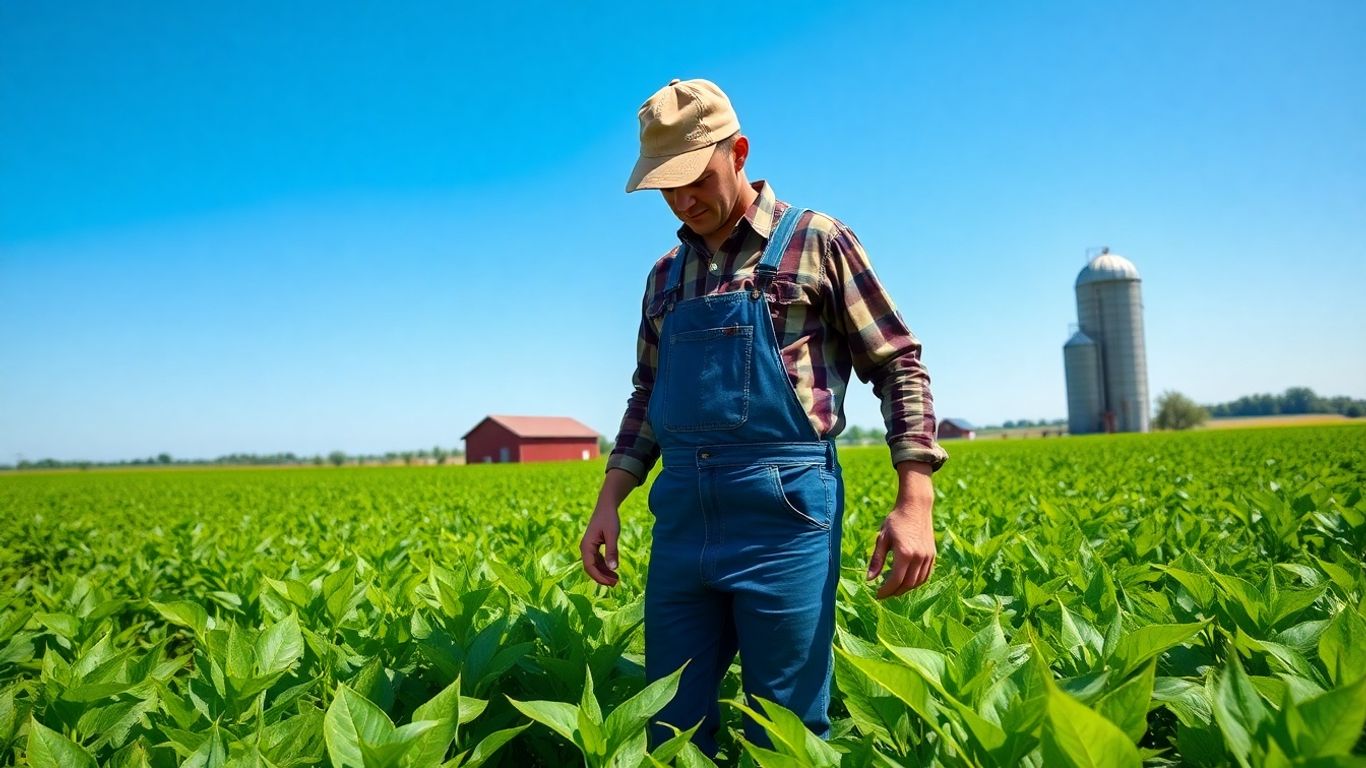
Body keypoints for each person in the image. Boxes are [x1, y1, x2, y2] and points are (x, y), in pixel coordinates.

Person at [579, 77, 947, 756]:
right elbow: (647, 396)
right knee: (667, 724)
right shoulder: (664, 276)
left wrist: (915, 496)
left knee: (786, 728)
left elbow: (899, 364)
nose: (683, 200)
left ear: (738, 151)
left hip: (785, 515)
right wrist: (610, 498)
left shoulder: (817, 241)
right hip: (683, 515)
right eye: (666, 186)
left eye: (695, 177)